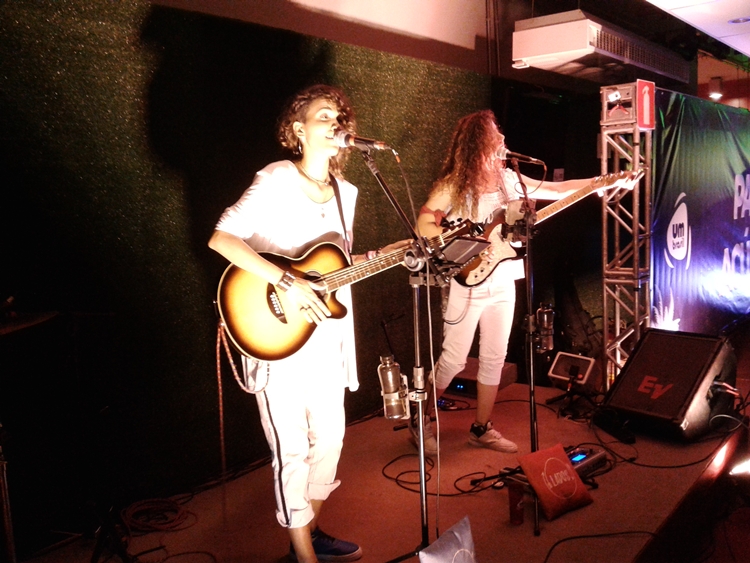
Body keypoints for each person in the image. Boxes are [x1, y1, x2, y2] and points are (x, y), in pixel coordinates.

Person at [209, 84, 403, 563]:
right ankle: (305, 556)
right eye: (324, 116)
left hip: (324, 337)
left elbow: (332, 265)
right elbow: (222, 238)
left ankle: (307, 536)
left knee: (332, 440)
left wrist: (385, 255)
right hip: (273, 331)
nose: (337, 123)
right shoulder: (277, 178)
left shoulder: (346, 192)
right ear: (298, 129)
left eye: (340, 116)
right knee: (291, 450)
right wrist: (286, 281)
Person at [413, 109, 629, 455]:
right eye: (494, 132)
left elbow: (558, 189)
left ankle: (481, 428)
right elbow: (424, 222)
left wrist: (600, 182)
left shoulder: (509, 179)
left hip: (503, 279)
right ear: (478, 142)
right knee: (453, 359)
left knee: (494, 356)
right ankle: (421, 419)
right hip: (468, 281)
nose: (501, 137)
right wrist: (454, 242)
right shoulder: (455, 184)